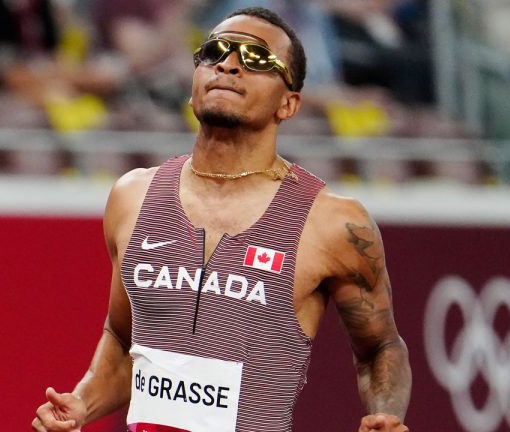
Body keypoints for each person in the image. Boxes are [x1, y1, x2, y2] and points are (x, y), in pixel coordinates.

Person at [32, 6, 411, 432]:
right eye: (215, 52)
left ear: (288, 103)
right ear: (193, 86)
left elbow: (381, 346)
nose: (229, 64)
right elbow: (123, 342)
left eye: (256, 60)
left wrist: (386, 414)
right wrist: (80, 404)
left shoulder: (333, 223)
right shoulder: (133, 196)